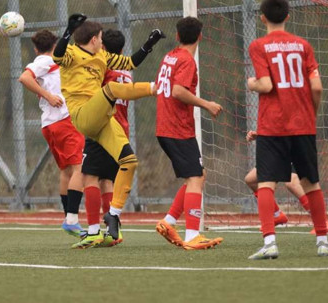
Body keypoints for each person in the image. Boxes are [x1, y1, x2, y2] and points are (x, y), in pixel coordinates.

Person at [53, 14, 163, 241]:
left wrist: (149, 44)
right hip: (83, 114)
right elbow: (57, 55)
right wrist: (68, 30)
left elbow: (130, 62)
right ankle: (155, 87)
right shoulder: (72, 53)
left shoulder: (101, 56)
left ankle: (113, 215)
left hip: (103, 118)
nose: (102, 42)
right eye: (100, 38)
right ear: (93, 39)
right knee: (112, 88)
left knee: (129, 161)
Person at [246, 0, 328, 260]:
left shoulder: (259, 45)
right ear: (288, 16)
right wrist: (311, 115)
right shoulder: (303, 45)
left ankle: (270, 244)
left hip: (273, 125)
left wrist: (252, 84)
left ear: (262, 17)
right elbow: (317, 87)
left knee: (265, 183)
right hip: (303, 125)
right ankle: (322, 241)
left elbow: (266, 85)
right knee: (312, 184)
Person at [153, 17, 224, 250]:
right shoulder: (186, 60)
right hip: (177, 128)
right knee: (196, 178)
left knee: (197, 175)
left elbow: (160, 88)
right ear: (200, 37)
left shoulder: (169, 56)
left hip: (166, 126)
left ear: (176, 36)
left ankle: (168, 221)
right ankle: (193, 235)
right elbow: (177, 91)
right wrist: (207, 104)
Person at [18, 29, 86, 238]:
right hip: (64, 121)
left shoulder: (58, 62)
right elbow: (24, 78)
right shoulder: (44, 61)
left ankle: (69, 218)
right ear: (55, 46)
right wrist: (48, 96)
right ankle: (72, 219)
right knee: (79, 169)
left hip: (52, 123)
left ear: (36, 47)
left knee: (66, 171)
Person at [76, 29, 132, 249]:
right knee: (107, 180)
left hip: (103, 129)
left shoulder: (103, 68)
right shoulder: (126, 71)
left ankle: (92, 232)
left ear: (104, 48)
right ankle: (112, 233)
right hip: (121, 130)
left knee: (89, 177)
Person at [243, 131, 328, 235]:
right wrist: (260, 135)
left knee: (292, 183)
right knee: (251, 180)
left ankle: (322, 222)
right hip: (277, 149)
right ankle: (277, 215)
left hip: (293, 146)